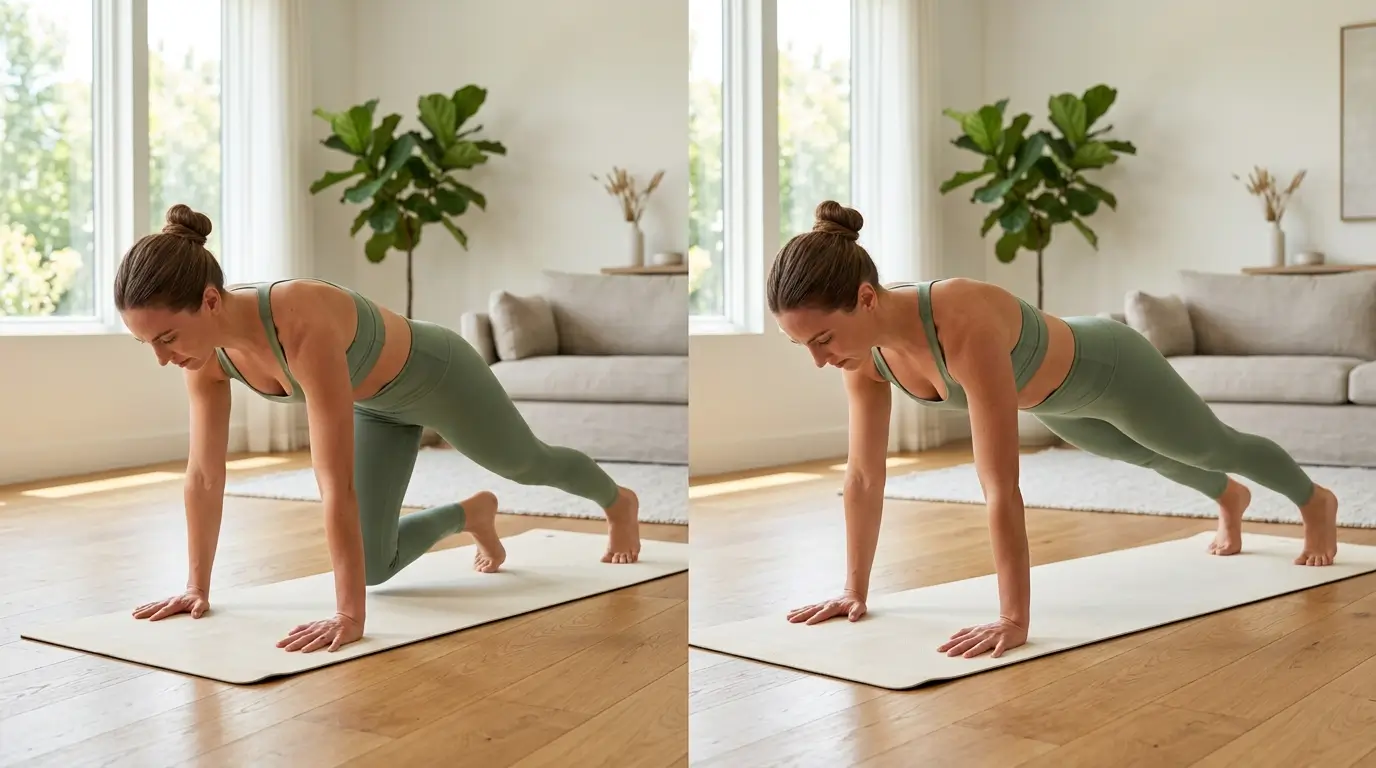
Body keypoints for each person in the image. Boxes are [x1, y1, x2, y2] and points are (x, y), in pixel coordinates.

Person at [769, 200, 1340, 660]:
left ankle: (1314, 502)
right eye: (803, 347)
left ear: (865, 298)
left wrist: (1013, 618)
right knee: (1151, 457)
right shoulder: (864, 358)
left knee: (1210, 444)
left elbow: (999, 485)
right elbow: (865, 479)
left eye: (822, 340)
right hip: (1054, 401)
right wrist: (854, 590)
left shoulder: (960, 318)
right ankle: (1229, 495)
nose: (819, 360)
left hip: (1112, 367)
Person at [121, 204, 642, 654]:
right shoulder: (204, 359)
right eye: (150, 346)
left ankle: (618, 502)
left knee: (527, 463)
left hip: (440, 376)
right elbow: (205, 477)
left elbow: (334, 482)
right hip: (375, 406)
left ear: (210, 300)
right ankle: (471, 513)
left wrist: (350, 617)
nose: (164, 359)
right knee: (372, 565)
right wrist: (195, 586)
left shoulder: (299, 319)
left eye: (167, 338)